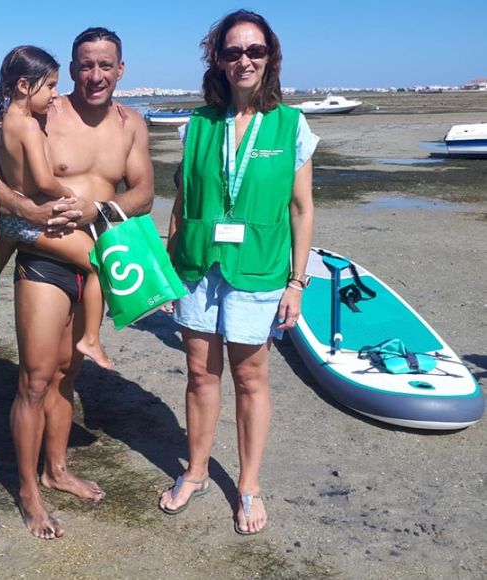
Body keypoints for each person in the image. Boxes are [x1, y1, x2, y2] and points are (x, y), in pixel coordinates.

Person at [0, 27, 154, 539]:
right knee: (33, 380)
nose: (94, 76)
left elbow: (143, 190)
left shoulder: (132, 125)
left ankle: (56, 470)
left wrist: (103, 207)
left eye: (105, 66)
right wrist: (21, 209)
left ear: (120, 70)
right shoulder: (43, 109)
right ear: (71, 69)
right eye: (85, 66)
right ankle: (29, 491)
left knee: (65, 377)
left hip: (97, 255)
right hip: (45, 259)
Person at [159, 10, 317, 535]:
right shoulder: (198, 124)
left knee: (251, 379)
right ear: (218, 60)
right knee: (201, 374)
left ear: (270, 57)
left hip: (261, 269)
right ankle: (197, 471)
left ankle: (248, 485)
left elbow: (301, 209)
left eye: (254, 50)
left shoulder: (291, 124)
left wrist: (297, 282)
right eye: (233, 51)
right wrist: (167, 272)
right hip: (199, 268)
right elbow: (182, 203)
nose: (244, 59)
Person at [0, 45, 114, 370]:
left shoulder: (6, 122)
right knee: (99, 262)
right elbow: (45, 181)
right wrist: (68, 196)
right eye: (49, 85)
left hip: (11, 222)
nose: (54, 94)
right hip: (30, 222)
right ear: (23, 85)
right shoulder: (30, 126)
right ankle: (91, 337)